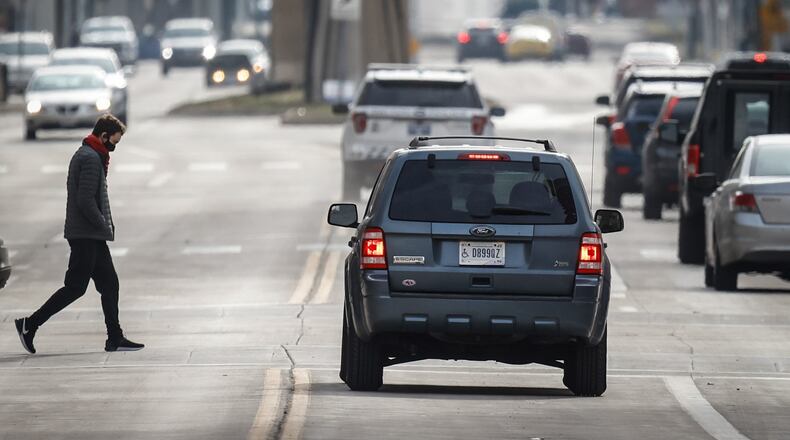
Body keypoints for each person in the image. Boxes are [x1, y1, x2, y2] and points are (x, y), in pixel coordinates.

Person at [15, 114, 144, 354]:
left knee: (109, 284)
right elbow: (85, 200)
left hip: (90, 235)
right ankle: (29, 324)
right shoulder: (90, 158)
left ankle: (114, 337)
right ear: (103, 136)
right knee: (75, 287)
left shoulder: (92, 154)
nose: (113, 148)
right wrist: (103, 224)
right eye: (113, 142)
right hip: (86, 235)